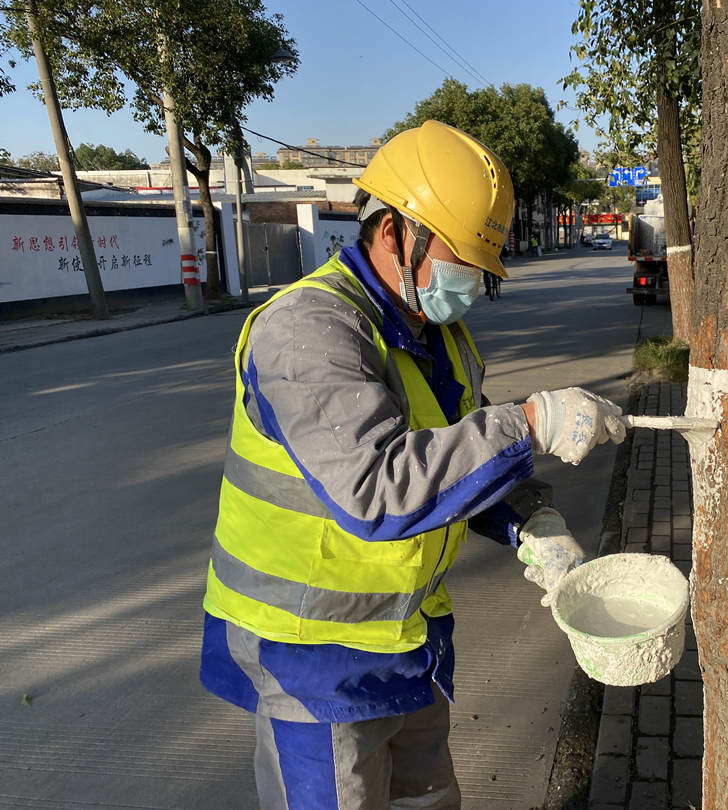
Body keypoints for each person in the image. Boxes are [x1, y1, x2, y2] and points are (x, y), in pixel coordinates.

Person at [198, 120, 626, 810]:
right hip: (313, 658)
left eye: (481, 269)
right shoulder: (309, 332)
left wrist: (530, 519)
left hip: (408, 639)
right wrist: (529, 423)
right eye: (460, 259)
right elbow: (377, 489)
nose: (469, 284)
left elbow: (454, 454)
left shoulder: (436, 331)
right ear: (395, 231)